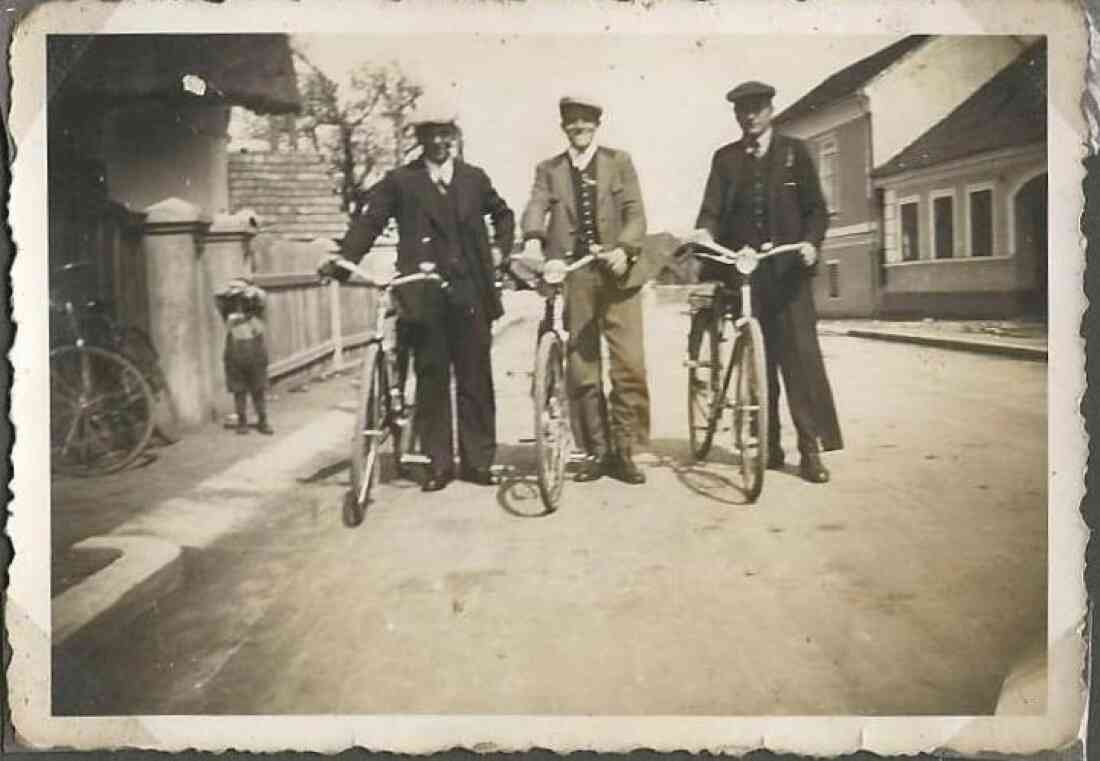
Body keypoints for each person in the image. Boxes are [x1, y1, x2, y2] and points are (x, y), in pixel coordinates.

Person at [319, 110, 515, 492]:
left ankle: (478, 463)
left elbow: (503, 215)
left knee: (475, 378)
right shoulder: (401, 181)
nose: (441, 143)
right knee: (431, 376)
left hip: (471, 291)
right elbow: (369, 221)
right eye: (432, 136)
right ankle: (438, 464)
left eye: (446, 135)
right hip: (423, 291)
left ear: (454, 137)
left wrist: (500, 251)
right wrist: (344, 261)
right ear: (420, 139)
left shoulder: (474, 178)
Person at [694, 80, 843, 483]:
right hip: (746, 277)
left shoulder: (795, 153)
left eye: (757, 108)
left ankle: (809, 451)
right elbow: (709, 210)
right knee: (758, 363)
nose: (750, 116)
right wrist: (704, 233)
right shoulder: (725, 160)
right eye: (743, 110)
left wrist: (811, 244)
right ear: (736, 115)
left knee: (800, 363)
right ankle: (769, 444)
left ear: (771, 110)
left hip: (789, 275)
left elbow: (817, 211)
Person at [521, 96, 658, 485]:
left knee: (629, 363)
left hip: (619, 273)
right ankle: (596, 450)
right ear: (563, 126)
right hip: (576, 273)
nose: (578, 127)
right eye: (571, 122)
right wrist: (533, 240)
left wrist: (625, 248)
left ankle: (625, 449)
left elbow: (636, 213)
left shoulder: (619, 162)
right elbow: (535, 206)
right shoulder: (549, 169)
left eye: (585, 121)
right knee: (582, 367)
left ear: (597, 124)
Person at [215, 278, 273, 436]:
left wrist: (250, 290)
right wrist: (233, 290)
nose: (241, 301)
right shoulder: (228, 312)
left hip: (255, 352)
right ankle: (242, 421)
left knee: (258, 389)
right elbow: (218, 296)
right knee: (238, 390)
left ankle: (263, 420)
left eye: (243, 298)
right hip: (235, 352)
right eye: (237, 299)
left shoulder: (257, 311)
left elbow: (262, 297)